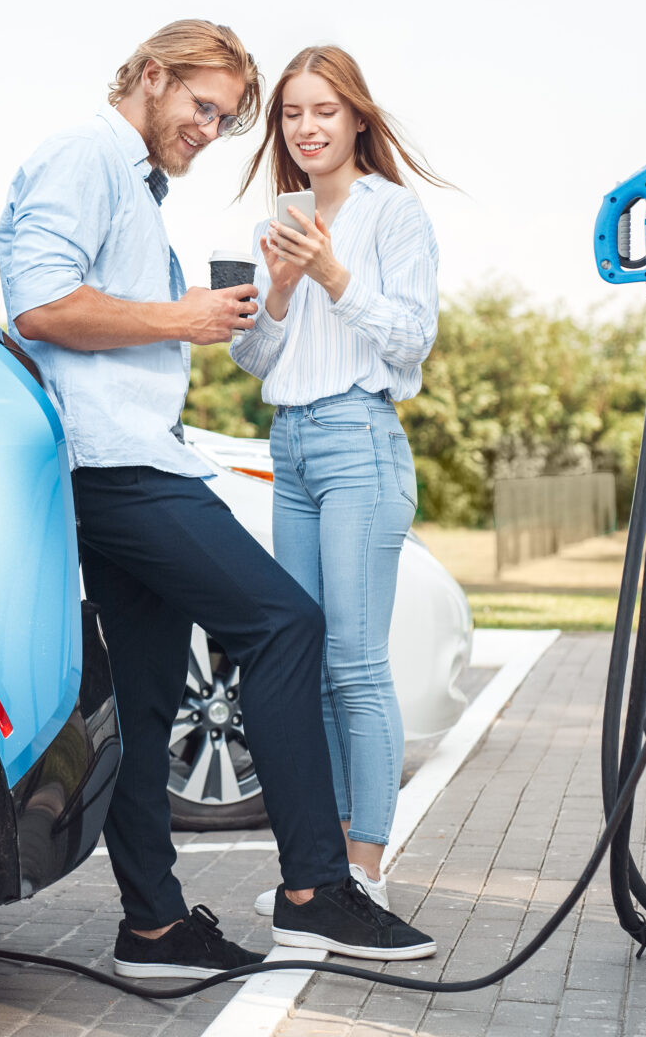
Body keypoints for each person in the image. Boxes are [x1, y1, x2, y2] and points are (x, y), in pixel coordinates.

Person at [0, 20, 435, 977]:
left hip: (133, 459)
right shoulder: (87, 156)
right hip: (121, 468)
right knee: (286, 627)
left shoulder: (136, 184)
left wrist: (221, 307)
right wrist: (186, 315)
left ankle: (154, 928)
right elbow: (37, 305)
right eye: (203, 107)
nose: (210, 129)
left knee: (149, 700)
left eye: (229, 118)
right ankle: (317, 893)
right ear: (151, 77)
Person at [229, 45, 443, 925]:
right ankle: (320, 870)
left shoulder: (393, 215)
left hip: (360, 439)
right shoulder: (274, 226)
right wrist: (278, 289)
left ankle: (366, 868)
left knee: (356, 667)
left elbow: (412, 339)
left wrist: (331, 275)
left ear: (357, 118)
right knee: (306, 665)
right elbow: (253, 357)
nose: (307, 128)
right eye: (291, 114)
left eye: (324, 111)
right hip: (293, 449)